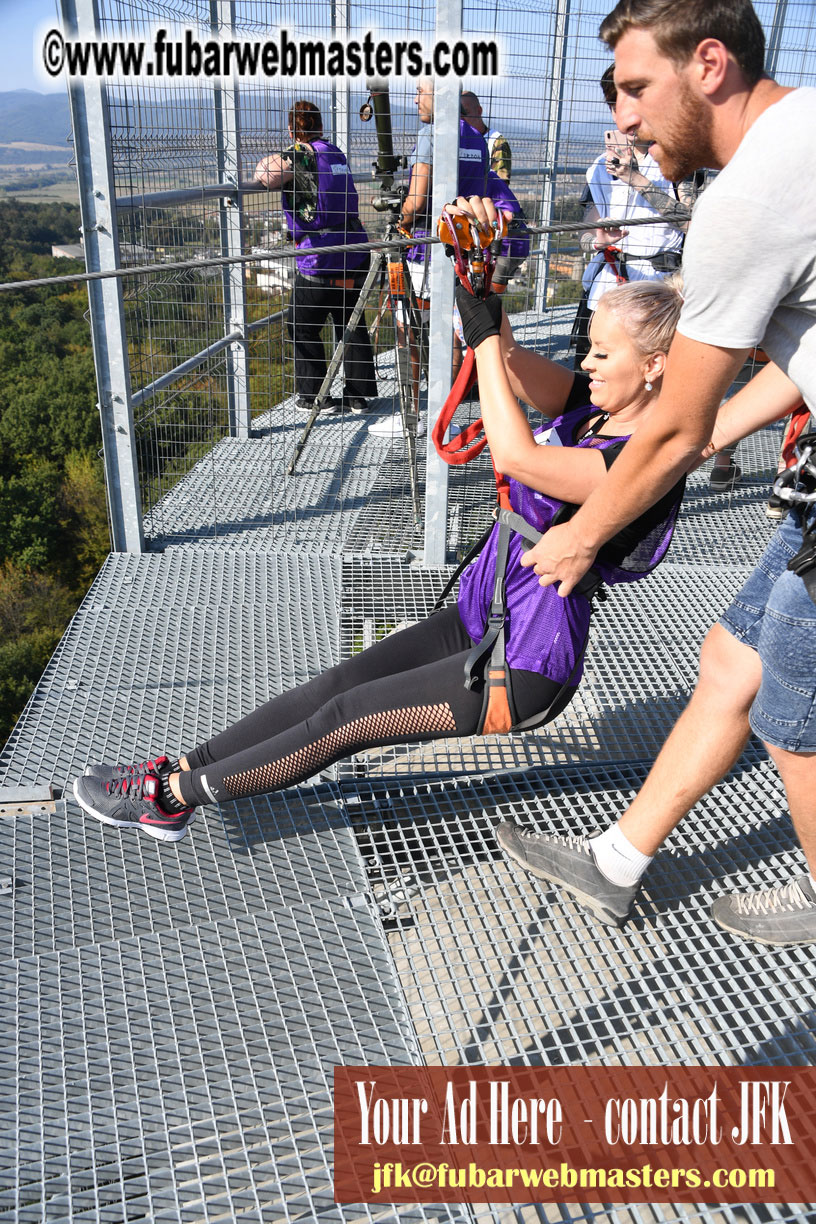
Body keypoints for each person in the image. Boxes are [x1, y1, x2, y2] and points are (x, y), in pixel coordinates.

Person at [72, 278, 687, 843]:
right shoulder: (594, 407)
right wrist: (486, 291)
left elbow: (520, 457)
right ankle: (187, 766)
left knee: (348, 718)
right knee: (338, 683)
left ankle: (173, 797)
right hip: (486, 610)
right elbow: (511, 367)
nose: (586, 363)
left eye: (602, 354)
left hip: (525, 659)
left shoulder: (637, 463)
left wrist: (484, 337)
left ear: (655, 366)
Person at [493, 0, 816, 946]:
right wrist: (713, 431)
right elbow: (791, 360)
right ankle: (618, 862)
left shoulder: (749, 197)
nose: (623, 117)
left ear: (708, 64)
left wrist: (582, 537)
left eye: (636, 87)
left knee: (795, 720)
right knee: (734, 659)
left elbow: (667, 435)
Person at [369, 80, 528, 437]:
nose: (415, 99)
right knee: (451, 335)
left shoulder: (431, 134)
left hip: (424, 251)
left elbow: (417, 201)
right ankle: (446, 415)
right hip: (461, 251)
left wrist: (398, 215)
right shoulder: (475, 137)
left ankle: (411, 415)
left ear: (438, 96)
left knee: (407, 327)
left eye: (420, 91)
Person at [255, 100, 377, 415]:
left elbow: (266, 176)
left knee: (300, 323)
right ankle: (357, 396)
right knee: (350, 321)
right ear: (320, 126)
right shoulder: (335, 152)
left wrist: (282, 152)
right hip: (354, 252)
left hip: (320, 259)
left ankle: (314, 396)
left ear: (293, 129)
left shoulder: (299, 154)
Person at [571, 65, 687, 370]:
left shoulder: (681, 162)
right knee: (589, 377)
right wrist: (597, 239)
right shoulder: (599, 166)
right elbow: (584, 231)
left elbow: (690, 222)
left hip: (659, 289)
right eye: (617, 106)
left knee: (653, 379)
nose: (626, 116)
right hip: (606, 287)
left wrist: (635, 178)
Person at [460, 91, 512, 182]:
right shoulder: (456, 140)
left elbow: (500, 184)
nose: (461, 119)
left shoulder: (496, 141)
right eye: (457, 115)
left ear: (479, 111)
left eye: (465, 113)